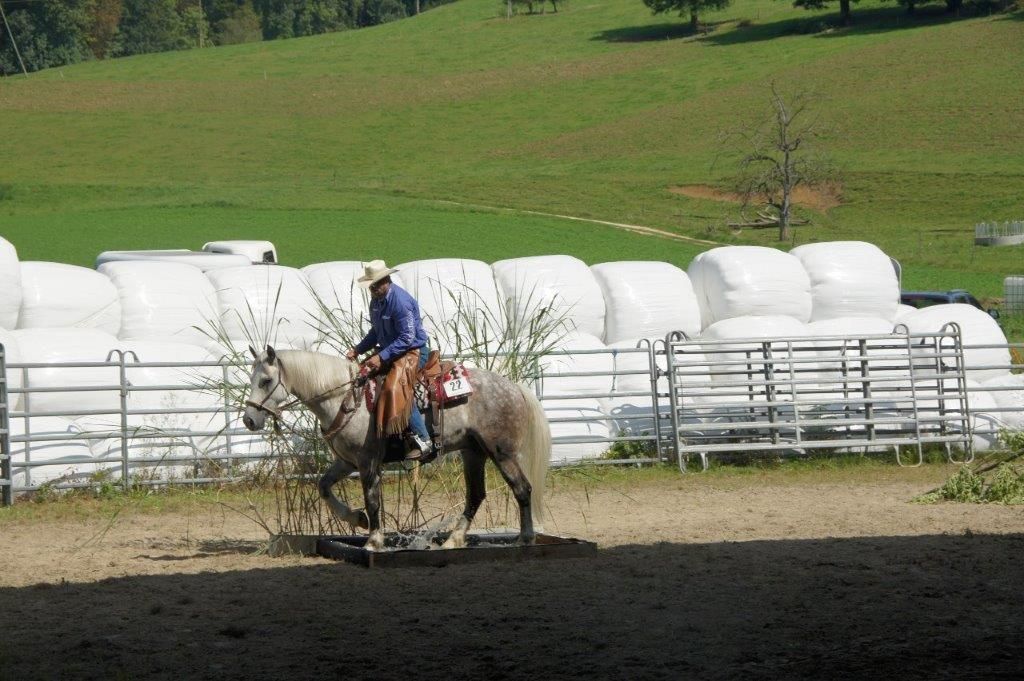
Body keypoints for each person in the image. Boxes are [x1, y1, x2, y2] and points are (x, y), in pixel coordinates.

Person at [346, 260, 434, 462]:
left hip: (413, 352)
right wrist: (358, 350)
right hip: (391, 352)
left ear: (386, 280)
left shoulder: (400, 302)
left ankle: (423, 439)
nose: (373, 289)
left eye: (376, 285)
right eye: (371, 286)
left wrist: (381, 356)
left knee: (395, 387)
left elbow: (407, 338)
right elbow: (376, 332)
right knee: (362, 376)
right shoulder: (376, 302)